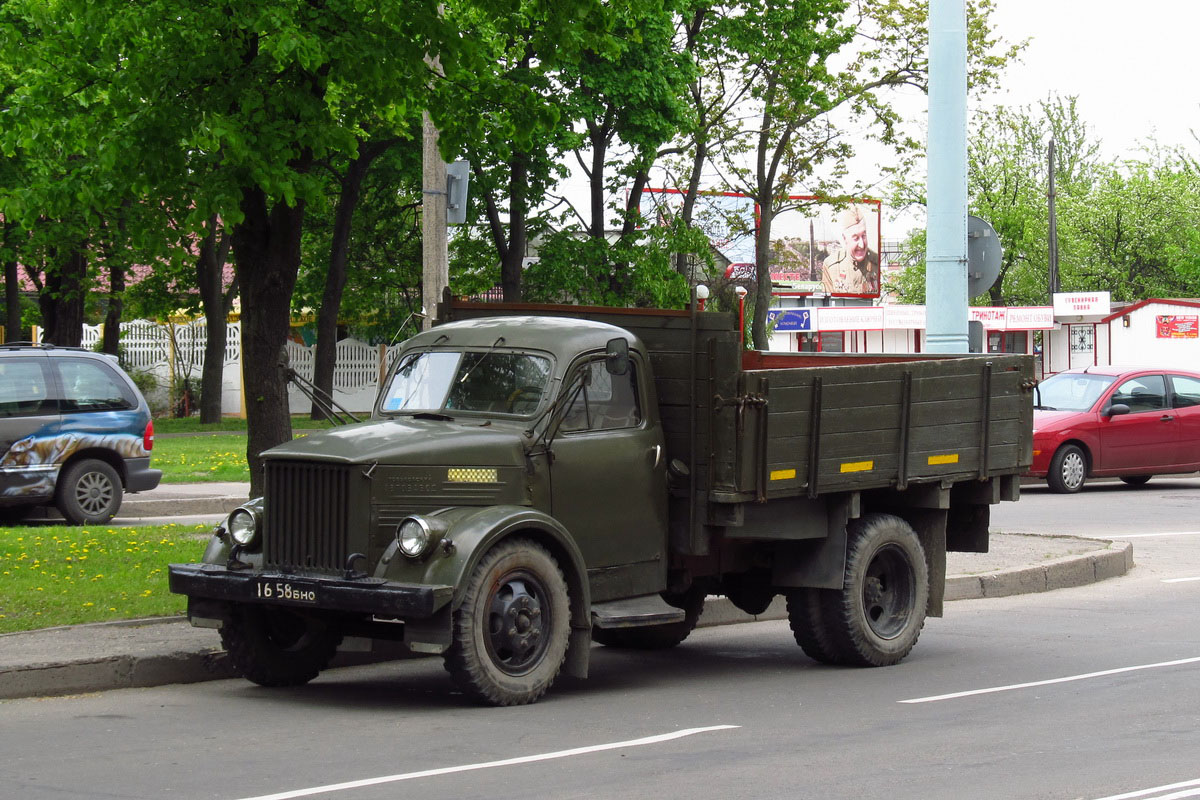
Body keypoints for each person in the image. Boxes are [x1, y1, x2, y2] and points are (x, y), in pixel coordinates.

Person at [820, 205, 879, 294]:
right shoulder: (831, 265)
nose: (862, 245)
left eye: (864, 236)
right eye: (855, 238)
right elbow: (828, 303)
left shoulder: (877, 262)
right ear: (845, 239)